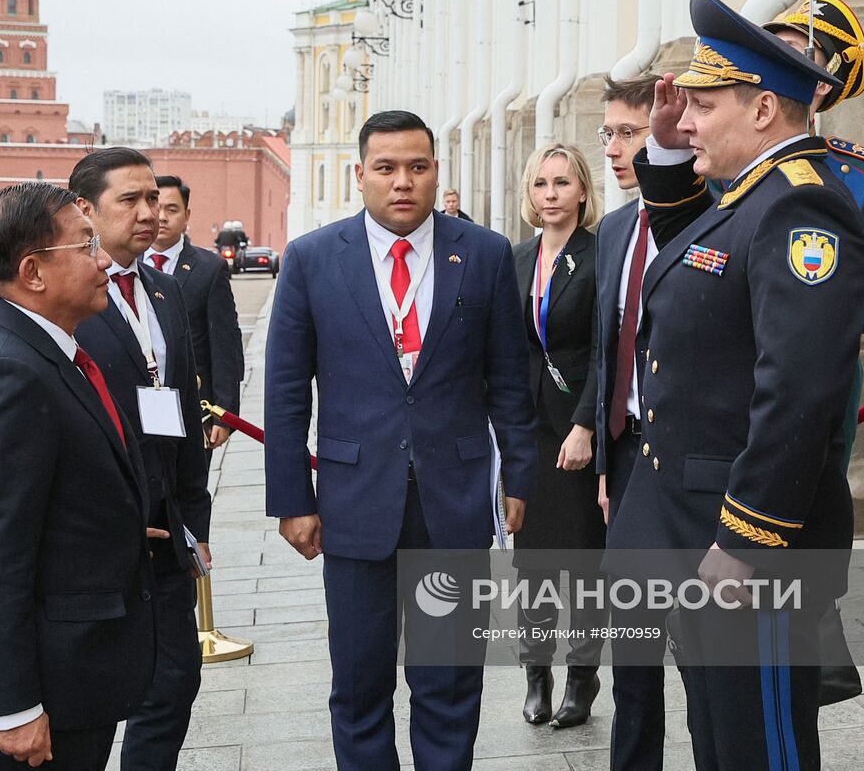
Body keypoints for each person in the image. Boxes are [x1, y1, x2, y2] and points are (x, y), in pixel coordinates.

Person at [606, 0, 864, 771]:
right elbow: (700, 263)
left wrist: (746, 538)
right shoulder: (755, 199)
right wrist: (663, 154)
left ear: (762, 110)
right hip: (698, 534)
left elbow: (797, 390)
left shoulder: (802, 209)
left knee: (760, 747)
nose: (686, 120)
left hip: (747, 550)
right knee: (722, 739)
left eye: (704, 105)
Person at [264, 110, 539, 771]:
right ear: (360, 175)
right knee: (359, 683)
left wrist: (520, 476)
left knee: (449, 681)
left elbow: (508, 379)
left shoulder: (484, 253)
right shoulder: (311, 259)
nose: (402, 182)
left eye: (417, 166)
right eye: (385, 168)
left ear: (435, 171)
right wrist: (291, 499)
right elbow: (285, 390)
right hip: (354, 501)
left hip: (456, 496)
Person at [0, 182, 154, 771]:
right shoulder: (9, 373)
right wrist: (12, 707)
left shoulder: (46, 350)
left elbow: (60, 490)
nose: (104, 258)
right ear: (33, 272)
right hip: (46, 687)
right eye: (86, 246)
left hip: (76, 674)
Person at [67, 148, 210, 771]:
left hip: (168, 534)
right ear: (85, 211)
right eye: (130, 200)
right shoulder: (65, 300)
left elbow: (179, 407)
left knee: (174, 686)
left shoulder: (164, 288)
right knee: (95, 706)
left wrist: (194, 523)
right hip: (103, 540)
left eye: (153, 199)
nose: (149, 212)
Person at [762, 0, 864, 469]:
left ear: (823, 84)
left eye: (797, 52)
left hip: (822, 380)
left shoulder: (859, 175)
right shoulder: (724, 164)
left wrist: (833, 314)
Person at [589, 74, 670, 770]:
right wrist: (608, 464)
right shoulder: (614, 228)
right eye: (608, 133)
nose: (614, 149)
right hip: (630, 453)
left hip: (693, 465)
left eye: (628, 132)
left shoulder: (703, 219)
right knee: (633, 640)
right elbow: (605, 349)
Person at [510, 142, 604, 728]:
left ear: (583, 192)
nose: (550, 194)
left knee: (584, 568)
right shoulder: (516, 259)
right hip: (529, 431)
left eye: (562, 184)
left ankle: (583, 678)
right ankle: (536, 675)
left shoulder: (599, 255)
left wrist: (586, 424)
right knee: (532, 566)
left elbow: (604, 350)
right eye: (541, 184)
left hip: (577, 427)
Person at [144, 175, 245, 450]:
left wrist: (224, 414)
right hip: (137, 406)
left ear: (186, 215)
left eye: (172, 209)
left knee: (190, 489)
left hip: (193, 407)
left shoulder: (209, 269)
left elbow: (225, 344)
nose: (162, 217)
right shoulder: (121, 267)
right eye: (156, 206)